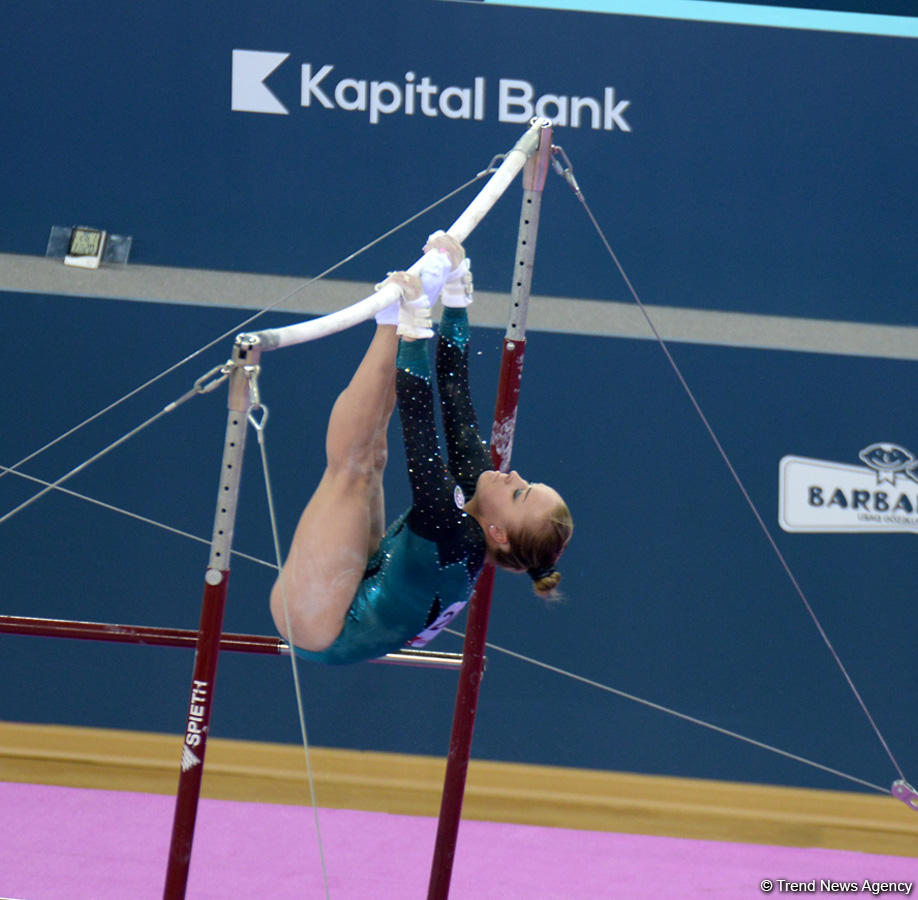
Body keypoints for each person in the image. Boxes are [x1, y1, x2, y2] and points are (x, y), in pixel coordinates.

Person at [270, 233, 572, 664]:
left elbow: (420, 433)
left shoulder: (456, 537)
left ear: (499, 533)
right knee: (372, 458)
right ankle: (396, 321)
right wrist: (454, 301)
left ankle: (390, 322)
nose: (515, 476)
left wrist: (411, 333)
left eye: (520, 493)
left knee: (353, 471)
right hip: (367, 587)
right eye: (530, 481)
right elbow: (455, 398)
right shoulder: (480, 501)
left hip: (319, 626)